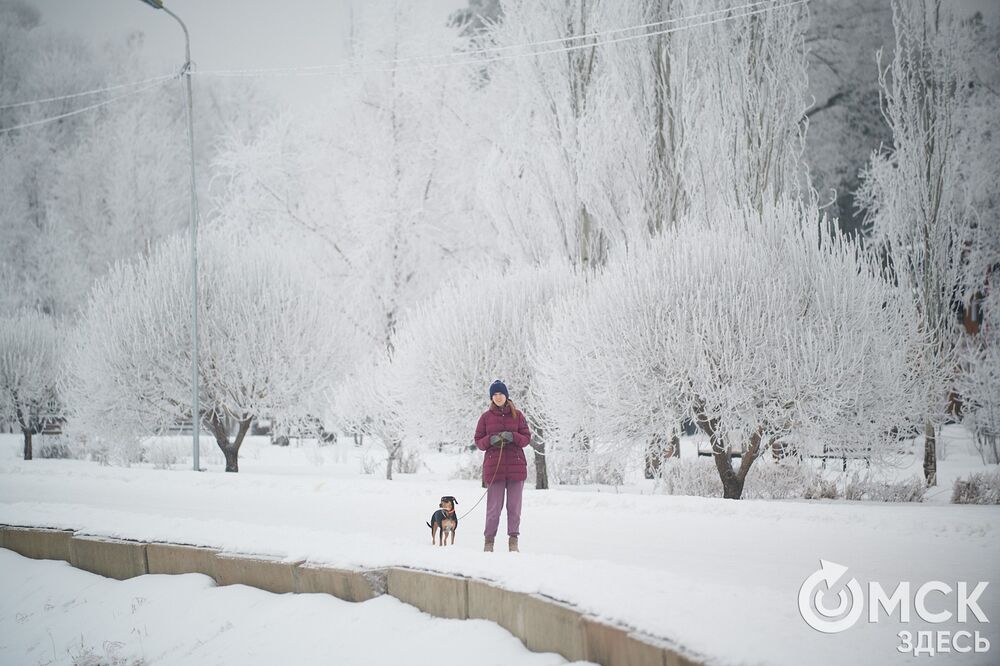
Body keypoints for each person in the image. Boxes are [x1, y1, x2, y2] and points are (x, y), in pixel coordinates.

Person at [474, 379, 532, 552]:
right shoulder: (485, 417)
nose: (498, 397)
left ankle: (513, 542)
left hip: (516, 468)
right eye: (495, 394)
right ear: (492, 397)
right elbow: (478, 441)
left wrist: (513, 436)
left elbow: (526, 438)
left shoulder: (518, 415)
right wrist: (490, 440)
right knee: (493, 508)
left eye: (501, 394)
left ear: (506, 395)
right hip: (495, 469)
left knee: (514, 508)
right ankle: (488, 542)